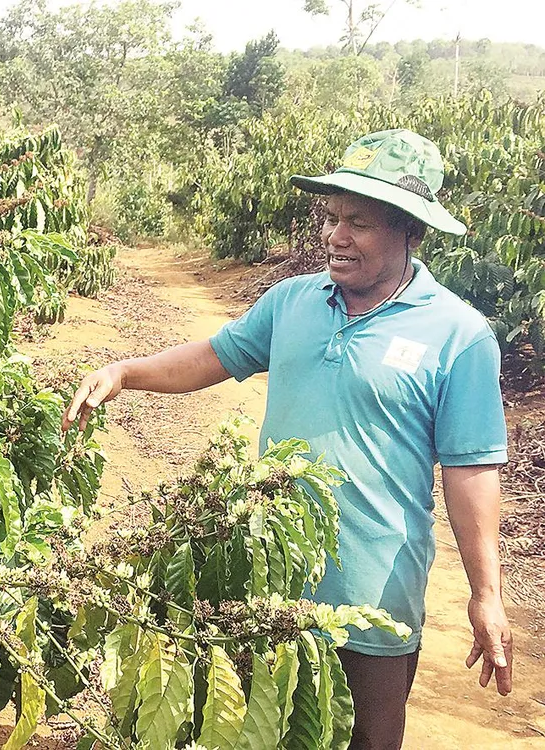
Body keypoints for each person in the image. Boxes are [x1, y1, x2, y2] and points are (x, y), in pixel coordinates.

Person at [62, 129, 513, 749]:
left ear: (411, 230)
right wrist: (124, 373)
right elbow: (213, 357)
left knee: (363, 737)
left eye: (359, 223)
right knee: (256, 730)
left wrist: (486, 594)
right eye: (331, 218)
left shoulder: (458, 335)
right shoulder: (293, 302)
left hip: (370, 598)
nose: (336, 236)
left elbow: (471, 472)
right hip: (265, 581)